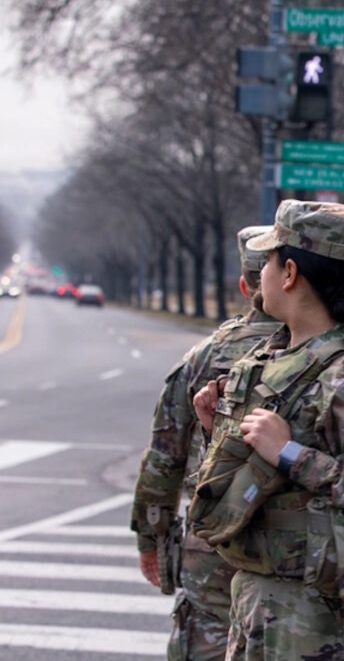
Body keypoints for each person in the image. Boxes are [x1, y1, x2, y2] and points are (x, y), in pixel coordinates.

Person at [187, 200, 344, 660]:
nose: (260, 273)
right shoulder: (276, 357)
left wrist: (291, 454)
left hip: (321, 623)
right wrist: (216, 431)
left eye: (268, 261)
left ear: (290, 273)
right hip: (263, 601)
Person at [130, 225, 280, 661]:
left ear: (243, 287)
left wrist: (151, 537)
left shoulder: (203, 358)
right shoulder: (328, 356)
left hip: (213, 548)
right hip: (294, 552)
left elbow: (163, 460)